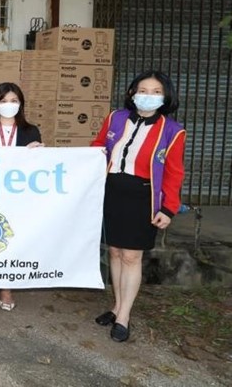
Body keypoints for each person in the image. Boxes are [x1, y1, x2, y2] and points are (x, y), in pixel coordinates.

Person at [91, 70, 185, 343]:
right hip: (112, 192)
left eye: (156, 92)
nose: (148, 96)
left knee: (132, 257)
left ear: (166, 97)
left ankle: (124, 317)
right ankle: (116, 306)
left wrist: (168, 208)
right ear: (132, 93)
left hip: (143, 197)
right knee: (115, 251)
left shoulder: (173, 131)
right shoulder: (115, 118)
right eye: (143, 90)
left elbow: (174, 172)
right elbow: (98, 147)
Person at [0, 82, 43, 312]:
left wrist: (39, 153)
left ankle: (6, 287)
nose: (8, 105)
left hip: (18, 195)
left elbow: (40, 167)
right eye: (3, 101)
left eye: (14, 101)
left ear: (20, 104)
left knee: (11, 241)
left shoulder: (31, 131)